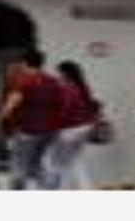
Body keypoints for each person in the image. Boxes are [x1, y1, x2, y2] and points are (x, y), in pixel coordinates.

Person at [0, 48, 64, 190]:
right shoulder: (53, 81)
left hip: (27, 132)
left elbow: (11, 104)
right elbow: (61, 104)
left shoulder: (23, 80)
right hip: (49, 132)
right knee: (37, 165)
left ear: (24, 63)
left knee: (19, 167)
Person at [47, 60, 103, 189]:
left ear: (65, 73)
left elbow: (64, 110)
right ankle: (86, 187)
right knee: (74, 161)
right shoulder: (82, 86)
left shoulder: (67, 87)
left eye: (59, 72)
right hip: (83, 128)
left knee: (55, 162)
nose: (57, 75)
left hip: (70, 129)